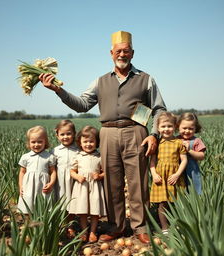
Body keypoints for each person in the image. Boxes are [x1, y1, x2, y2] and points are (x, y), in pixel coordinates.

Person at [39, 30, 167, 243]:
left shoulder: (146, 79)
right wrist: (57, 90)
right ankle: (116, 226)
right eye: (118, 51)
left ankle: (140, 227)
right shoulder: (100, 81)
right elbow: (81, 104)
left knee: (138, 183)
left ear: (132, 53)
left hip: (136, 131)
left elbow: (159, 109)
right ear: (111, 53)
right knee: (112, 183)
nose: (122, 55)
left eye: (126, 51)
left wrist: (154, 134)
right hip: (107, 133)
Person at [150, 112, 187, 234]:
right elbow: (153, 162)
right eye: (163, 126)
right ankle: (165, 228)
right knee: (162, 203)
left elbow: (184, 160)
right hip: (161, 177)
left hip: (174, 176)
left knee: (177, 201)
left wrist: (177, 174)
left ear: (175, 127)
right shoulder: (157, 143)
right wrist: (154, 174)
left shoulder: (179, 142)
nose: (166, 129)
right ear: (158, 128)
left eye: (169, 126)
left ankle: (178, 224)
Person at [68, 126, 106, 243]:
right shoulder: (78, 156)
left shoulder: (99, 157)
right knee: (82, 210)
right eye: (85, 142)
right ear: (80, 142)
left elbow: (105, 172)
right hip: (82, 186)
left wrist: (99, 176)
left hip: (94, 186)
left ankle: (93, 231)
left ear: (97, 142)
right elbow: (72, 171)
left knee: (95, 210)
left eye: (91, 141)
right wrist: (77, 176)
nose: (88, 144)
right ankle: (84, 230)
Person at [18, 126, 57, 214]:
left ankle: (42, 225)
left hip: (43, 185)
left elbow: (53, 172)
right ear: (29, 143)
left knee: (43, 208)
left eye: (40, 142)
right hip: (29, 186)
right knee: (28, 205)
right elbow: (22, 172)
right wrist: (21, 186)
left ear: (45, 142)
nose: (36, 144)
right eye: (33, 142)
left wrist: (51, 184)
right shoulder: (25, 157)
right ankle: (30, 225)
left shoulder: (49, 157)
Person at [51, 120, 79, 237]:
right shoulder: (54, 151)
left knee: (72, 203)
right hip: (60, 182)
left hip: (74, 181)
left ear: (74, 134)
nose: (65, 137)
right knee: (61, 202)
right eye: (62, 134)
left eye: (68, 134)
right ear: (57, 135)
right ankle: (61, 224)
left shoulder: (78, 149)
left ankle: (70, 225)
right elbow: (51, 168)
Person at [177, 112, 206, 194]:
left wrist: (189, 150)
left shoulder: (196, 141)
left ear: (195, 128)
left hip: (192, 171)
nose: (187, 131)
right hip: (178, 170)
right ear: (178, 126)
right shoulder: (175, 140)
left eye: (190, 128)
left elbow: (201, 156)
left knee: (194, 190)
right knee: (179, 192)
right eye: (184, 128)